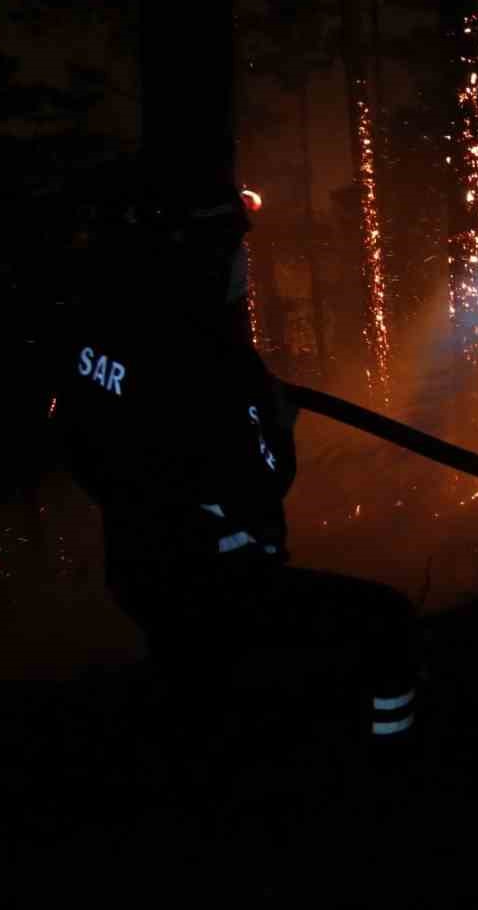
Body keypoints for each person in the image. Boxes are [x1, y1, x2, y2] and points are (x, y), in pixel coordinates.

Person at [52, 163, 420, 792]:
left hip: (146, 578)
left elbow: (75, 439)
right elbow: (260, 480)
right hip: (222, 583)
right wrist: (276, 423)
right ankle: (391, 778)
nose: (245, 266)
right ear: (199, 258)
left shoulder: (103, 337)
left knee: (204, 709)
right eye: (235, 250)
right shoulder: (206, 358)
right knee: (386, 621)